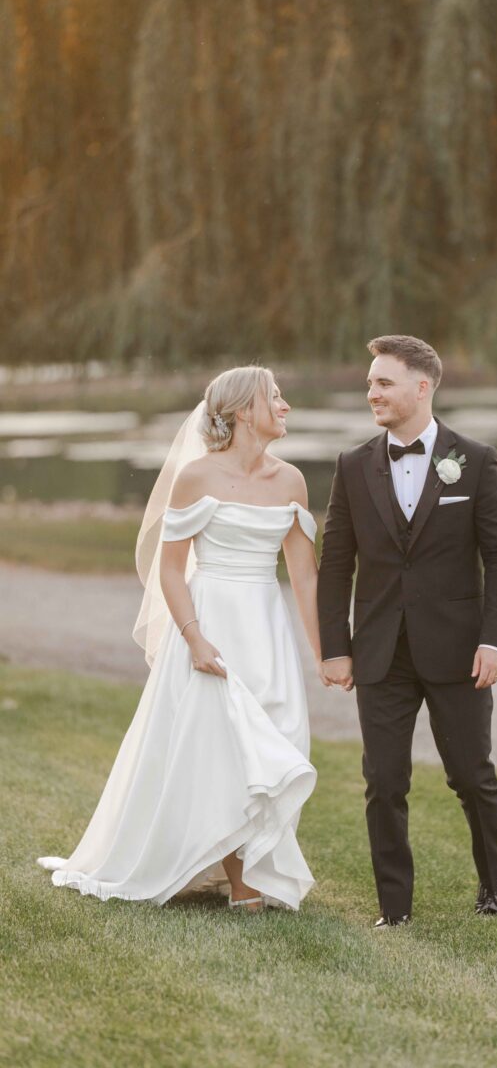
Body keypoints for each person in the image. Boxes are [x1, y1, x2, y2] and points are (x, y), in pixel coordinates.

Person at [38, 365, 322, 913]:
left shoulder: (292, 481)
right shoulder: (196, 477)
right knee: (223, 748)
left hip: (265, 624)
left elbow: (304, 576)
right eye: (276, 397)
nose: (285, 406)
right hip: (210, 621)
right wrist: (193, 638)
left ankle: (250, 865)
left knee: (277, 738)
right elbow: (171, 569)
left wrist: (324, 652)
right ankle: (244, 887)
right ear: (244, 412)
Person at [318, 335, 497, 927]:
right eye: (370, 383)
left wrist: (495, 639)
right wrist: (335, 646)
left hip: (460, 652)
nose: (371, 392)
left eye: (383, 382)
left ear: (421, 387)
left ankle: (493, 891)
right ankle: (394, 909)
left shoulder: (476, 460)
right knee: (383, 782)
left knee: (471, 776)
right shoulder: (353, 466)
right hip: (380, 653)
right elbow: (336, 563)